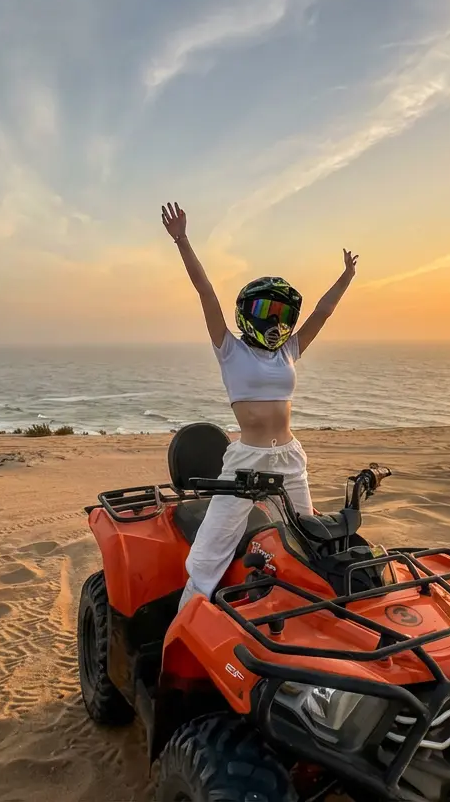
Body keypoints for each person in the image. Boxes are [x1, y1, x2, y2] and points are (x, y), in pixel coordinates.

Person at [161, 201, 358, 609]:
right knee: (208, 555)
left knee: (308, 539)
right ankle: (186, 625)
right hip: (246, 462)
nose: (275, 322)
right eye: (266, 312)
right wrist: (182, 240)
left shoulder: (289, 350)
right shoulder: (229, 349)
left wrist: (346, 277)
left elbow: (323, 311)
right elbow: (206, 291)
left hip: (289, 458)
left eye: (281, 313)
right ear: (248, 314)